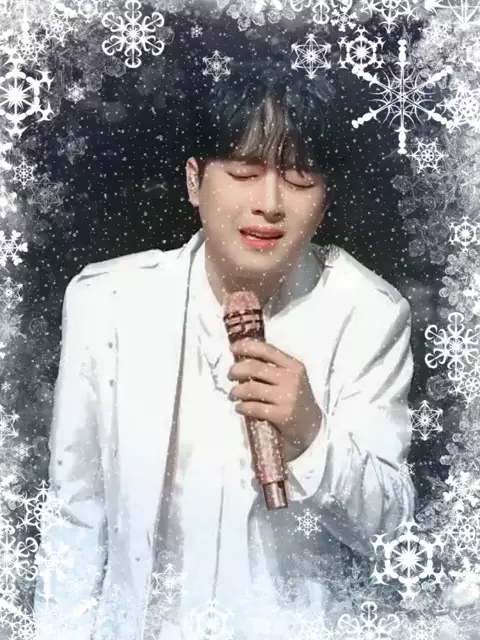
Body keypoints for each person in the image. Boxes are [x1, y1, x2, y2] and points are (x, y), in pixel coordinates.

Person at [33, 57, 416, 640]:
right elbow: (75, 513)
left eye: (299, 179)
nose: (270, 203)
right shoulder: (106, 301)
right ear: (194, 180)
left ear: (325, 197)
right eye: (243, 172)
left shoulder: (368, 313)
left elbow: (391, 531)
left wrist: (311, 431)